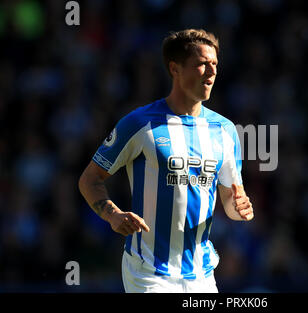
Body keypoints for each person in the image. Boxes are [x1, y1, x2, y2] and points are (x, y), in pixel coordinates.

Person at [78, 29, 254, 293]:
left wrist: (239, 207)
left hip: (202, 274)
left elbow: (230, 200)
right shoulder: (139, 124)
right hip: (148, 273)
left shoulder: (226, 130)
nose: (211, 72)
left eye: (215, 65)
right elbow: (89, 179)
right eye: (202, 64)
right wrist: (113, 215)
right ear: (175, 69)